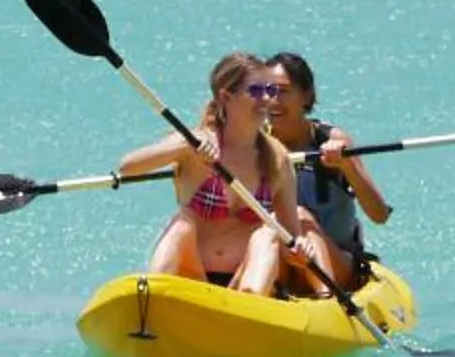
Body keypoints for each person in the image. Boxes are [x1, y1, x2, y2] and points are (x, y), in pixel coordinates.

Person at [113, 54, 324, 295]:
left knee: (268, 233)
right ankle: (152, 296)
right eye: (255, 90)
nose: (267, 99)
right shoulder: (196, 143)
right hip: (193, 278)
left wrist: (300, 250)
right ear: (226, 97)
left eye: (270, 90)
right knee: (182, 224)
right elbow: (127, 167)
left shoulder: (278, 158)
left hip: (244, 281)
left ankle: (248, 306)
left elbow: (291, 241)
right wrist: (183, 147)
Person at [261, 51, 391, 290]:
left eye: (284, 91)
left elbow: (379, 214)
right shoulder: (254, 146)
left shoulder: (332, 140)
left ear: (306, 95)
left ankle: (326, 297)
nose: (273, 100)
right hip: (281, 259)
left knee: (299, 216)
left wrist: (347, 165)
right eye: (267, 91)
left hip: (338, 263)